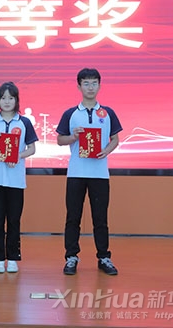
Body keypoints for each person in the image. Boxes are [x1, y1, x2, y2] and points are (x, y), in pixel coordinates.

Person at [56, 68, 122, 276]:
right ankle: (71, 257)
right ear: (79, 86)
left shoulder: (108, 113)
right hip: (76, 172)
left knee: (100, 218)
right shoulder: (70, 114)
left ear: (99, 86)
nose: (90, 87)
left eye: (94, 83)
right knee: (73, 217)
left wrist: (106, 151)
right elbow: (60, 140)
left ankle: (104, 257)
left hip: (100, 174)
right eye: (86, 83)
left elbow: (115, 139)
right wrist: (73, 137)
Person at [0, 82, 38, 273]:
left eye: (11, 98)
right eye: (3, 98)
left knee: (13, 220)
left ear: (17, 100)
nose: (7, 101)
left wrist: (18, 157)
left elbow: (32, 149)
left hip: (16, 180)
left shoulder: (24, 122)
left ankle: (12, 258)